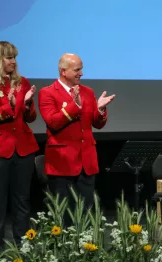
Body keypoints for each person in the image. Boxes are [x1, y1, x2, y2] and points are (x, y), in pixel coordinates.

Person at [0, 41, 39, 262]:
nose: (13, 61)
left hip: (23, 149)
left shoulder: (23, 83)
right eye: (9, 57)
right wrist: (7, 108)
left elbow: (31, 118)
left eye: (14, 57)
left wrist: (28, 105)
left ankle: (24, 250)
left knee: (22, 201)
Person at [38, 53, 115, 220]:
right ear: (63, 71)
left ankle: (86, 246)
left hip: (86, 162)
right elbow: (53, 122)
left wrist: (100, 109)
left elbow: (97, 124)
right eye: (77, 70)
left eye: (81, 69)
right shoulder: (47, 93)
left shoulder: (88, 92)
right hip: (62, 163)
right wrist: (73, 106)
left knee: (87, 214)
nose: (81, 74)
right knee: (64, 215)